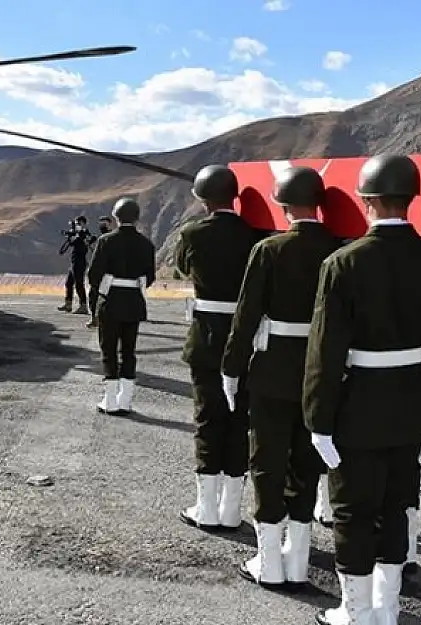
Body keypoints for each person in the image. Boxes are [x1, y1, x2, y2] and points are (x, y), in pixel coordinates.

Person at [303, 154, 421, 625]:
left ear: (365, 200)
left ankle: (355, 611)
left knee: (352, 508)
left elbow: (325, 353)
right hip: (412, 404)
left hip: (359, 405)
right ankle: (387, 609)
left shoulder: (343, 263)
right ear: (412, 198)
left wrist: (318, 418)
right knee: (396, 505)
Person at [221, 166, 340, 589]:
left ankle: (269, 562)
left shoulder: (269, 249)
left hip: (272, 371)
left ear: (283, 203)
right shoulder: (339, 247)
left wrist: (231, 367)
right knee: (306, 465)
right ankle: (299, 560)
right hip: (319, 371)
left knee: (267, 461)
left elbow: (246, 315)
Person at [175, 164, 261, 532]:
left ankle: (206, 507)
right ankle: (231, 509)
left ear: (202, 198)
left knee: (208, 420)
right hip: (247, 339)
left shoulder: (193, 232)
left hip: (208, 336)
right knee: (239, 421)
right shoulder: (254, 235)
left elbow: (181, 268)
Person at [87, 198, 157, 414]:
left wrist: (105, 287)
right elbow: (150, 277)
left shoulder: (106, 241)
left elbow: (93, 275)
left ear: (116, 216)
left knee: (108, 350)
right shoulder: (147, 244)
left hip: (110, 302)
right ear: (137, 217)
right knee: (129, 351)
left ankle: (109, 400)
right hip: (134, 302)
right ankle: (125, 399)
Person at [59, 215, 93, 315]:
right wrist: (71, 236)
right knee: (69, 283)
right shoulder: (76, 234)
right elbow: (71, 243)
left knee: (79, 284)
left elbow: (89, 241)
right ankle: (68, 304)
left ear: (83, 223)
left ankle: (83, 306)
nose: (76, 226)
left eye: (78, 223)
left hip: (80, 262)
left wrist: (79, 235)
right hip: (74, 262)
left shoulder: (85, 234)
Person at [86, 215, 115, 329]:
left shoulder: (112, 238)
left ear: (110, 224)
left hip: (109, 273)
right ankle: (94, 318)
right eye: (101, 223)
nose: (102, 225)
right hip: (99, 272)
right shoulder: (99, 238)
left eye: (105, 223)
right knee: (93, 296)